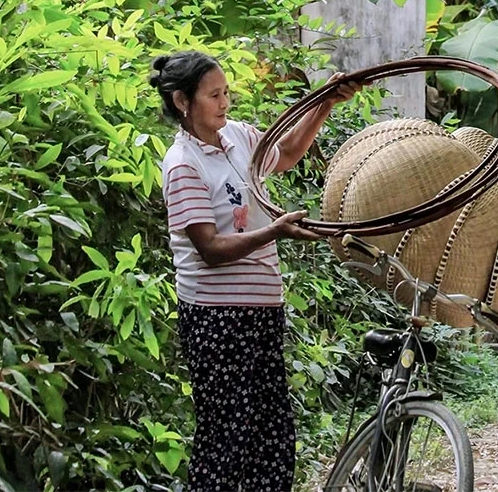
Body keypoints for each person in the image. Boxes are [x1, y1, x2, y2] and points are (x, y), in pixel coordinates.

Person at [150, 50, 360, 492]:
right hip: (217, 319)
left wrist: (324, 103)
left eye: (226, 92)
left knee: (272, 437)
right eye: (213, 95)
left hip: (261, 311)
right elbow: (208, 248)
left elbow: (285, 153)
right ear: (181, 102)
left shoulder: (239, 139)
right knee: (226, 441)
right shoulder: (183, 164)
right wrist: (275, 232)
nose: (225, 102)